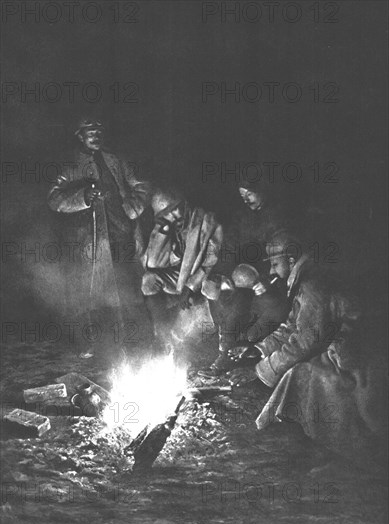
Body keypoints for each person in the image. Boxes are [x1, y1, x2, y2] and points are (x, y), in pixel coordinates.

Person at [228, 232, 387, 464]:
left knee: (303, 376)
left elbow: (305, 342)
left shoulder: (313, 285)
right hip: (343, 346)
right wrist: (259, 350)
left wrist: (258, 371)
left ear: (291, 260)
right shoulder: (305, 280)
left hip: (359, 356)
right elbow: (292, 327)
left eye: (274, 264)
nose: (271, 271)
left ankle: (335, 451)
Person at [48, 118, 152, 358]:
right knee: (90, 290)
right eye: (89, 132)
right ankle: (90, 342)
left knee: (126, 287)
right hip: (90, 239)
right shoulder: (70, 165)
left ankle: (129, 340)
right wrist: (83, 196)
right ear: (80, 136)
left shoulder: (116, 160)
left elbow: (142, 185)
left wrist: (132, 209)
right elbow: (54, 198)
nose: (95, 135)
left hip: (121, 233)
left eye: (98, 131)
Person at [198, 180, 290, 375]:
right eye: (242, 196)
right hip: (243, 277)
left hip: (273, 282)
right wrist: (220, 276)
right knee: (225, 296)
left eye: (250, 194)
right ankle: (227, 353)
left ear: (263, 189)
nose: (246, 200)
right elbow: (229, 249)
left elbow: (283, 260)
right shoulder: (242, 218)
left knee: (258, 314)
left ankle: (252, 355)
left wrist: (265, 280)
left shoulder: (283, 215)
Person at [141, 188, 223, 354]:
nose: (172, 216)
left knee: (211, 285)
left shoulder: (208, 222)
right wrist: (163, 230)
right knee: (149, 280)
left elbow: (210, 262)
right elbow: (153, 262)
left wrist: (189, 288)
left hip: (207, 277)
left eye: (174, 210)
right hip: (182, 277)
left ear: (184, 204)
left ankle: (223, 345)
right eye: (166, 214)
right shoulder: (170, 225)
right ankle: (161, 335)